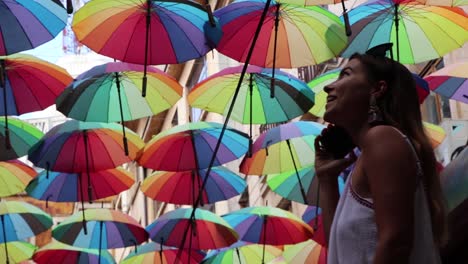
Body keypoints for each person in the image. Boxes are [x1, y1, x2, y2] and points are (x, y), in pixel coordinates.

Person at [314, 43, 446, 264]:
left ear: (377, 89)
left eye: (345, 74)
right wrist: (326, 180)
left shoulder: (383, 139)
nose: (329, 87)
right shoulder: (367, 155)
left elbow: (396, 243)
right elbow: (341, 251)